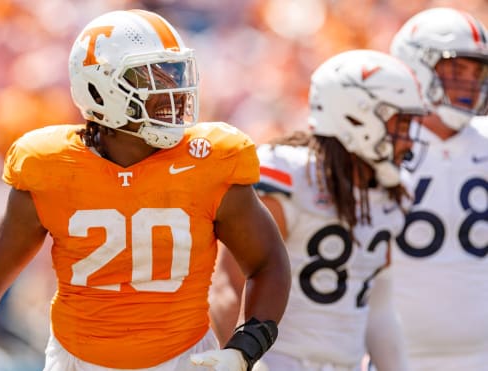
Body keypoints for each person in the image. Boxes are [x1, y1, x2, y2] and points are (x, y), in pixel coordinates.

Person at [0, 9, 290, 371]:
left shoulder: (209, 160)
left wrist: (245, 345)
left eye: (174, 71)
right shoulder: (52, 165)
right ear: (101, 88)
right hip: (77, 361)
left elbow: (268, 261)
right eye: (153, 76)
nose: (173, 89)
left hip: (183, 359)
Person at [209, 49, 428, 371]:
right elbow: (228, 286)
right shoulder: (289, 178)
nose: (408, 140)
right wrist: (248, 362)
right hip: (277, 360)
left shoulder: (390, 194)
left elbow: (378, 308)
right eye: (401, 122)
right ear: (358, 115)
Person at [388, 7, 488, 371]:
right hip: (395, 356)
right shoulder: (378, 143)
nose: (471, 85)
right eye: (458, 70)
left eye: (478, 73)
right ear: (415, 67)